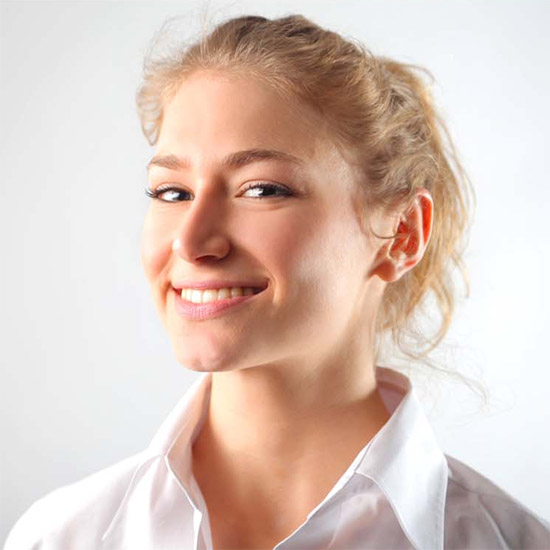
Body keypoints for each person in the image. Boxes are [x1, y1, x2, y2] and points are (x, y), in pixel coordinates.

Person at [4, 13, 550, 550]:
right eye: (172, 193)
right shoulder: (58, 538)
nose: (191, 241)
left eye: (262, 189)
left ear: (402, 233)